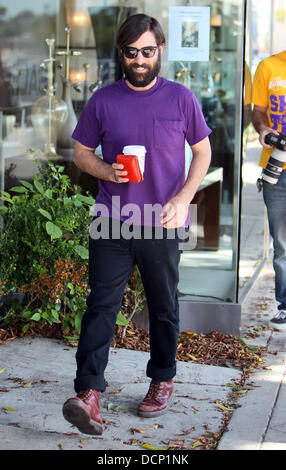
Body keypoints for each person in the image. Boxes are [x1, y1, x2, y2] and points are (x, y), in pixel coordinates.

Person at [62, 14, 212, 435]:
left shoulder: (181, 98)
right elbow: (81, 153)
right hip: (112, 220)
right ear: (122, 55)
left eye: (148, 51)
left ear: (160, 49)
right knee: (100, 307)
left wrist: (183, 199)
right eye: (132, 53)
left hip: (161, 222)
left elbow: (202, 152)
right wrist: (108, 172)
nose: (141, 60)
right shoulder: (103, 101)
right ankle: (88, 393)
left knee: (163, 307)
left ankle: (162, 379)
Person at [252, 50, 286, 329]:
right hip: (277, 169)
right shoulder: (269, 66)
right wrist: (263, 130)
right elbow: (259, 112)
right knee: (283, 245)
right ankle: (285, 306)